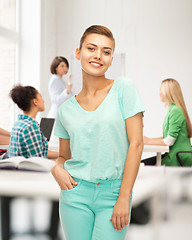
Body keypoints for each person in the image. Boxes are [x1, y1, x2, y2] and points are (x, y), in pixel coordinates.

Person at [52, 25, 145, 240]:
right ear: (78, 53)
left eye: (106, 51)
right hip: (74, 194)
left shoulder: (124, 89)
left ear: (111, 58)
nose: (98, 56)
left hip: (114, 193)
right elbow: (65, 156)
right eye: (91, 48)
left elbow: (136, 144)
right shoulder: (65, 109)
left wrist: (124, 197)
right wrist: (57, 168)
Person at [1, 85, 58, 240]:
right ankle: (54, 231)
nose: (43, 100)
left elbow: (38, 152)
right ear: (34, 102)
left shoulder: (19, 123)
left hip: (13, 174)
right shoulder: (32, 126)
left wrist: (56, 153)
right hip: (28, 176)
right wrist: (60, 156)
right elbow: (38, 158)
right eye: (41, 97)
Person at [144, 78, 192, 166]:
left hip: (178, 157)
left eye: (161, 90)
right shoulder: (172, 109)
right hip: (174, 154)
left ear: (168, 93)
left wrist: (147, 142)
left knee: (142, 166)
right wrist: (148, 139)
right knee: (142, 164)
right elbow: (168, 136)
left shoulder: (175, 110)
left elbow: (169, 141)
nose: (159, 94)